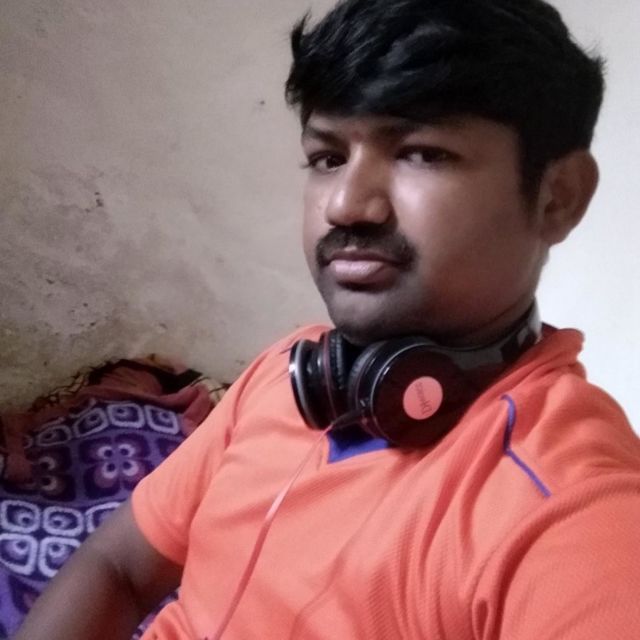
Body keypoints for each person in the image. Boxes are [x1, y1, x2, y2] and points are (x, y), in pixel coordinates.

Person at [14, 0, 640, 638]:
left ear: (558, 197)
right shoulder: (286, 375)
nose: (345, 204)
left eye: (422, 153)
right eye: (327, 157)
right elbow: (118, 566)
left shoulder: (576, 513)